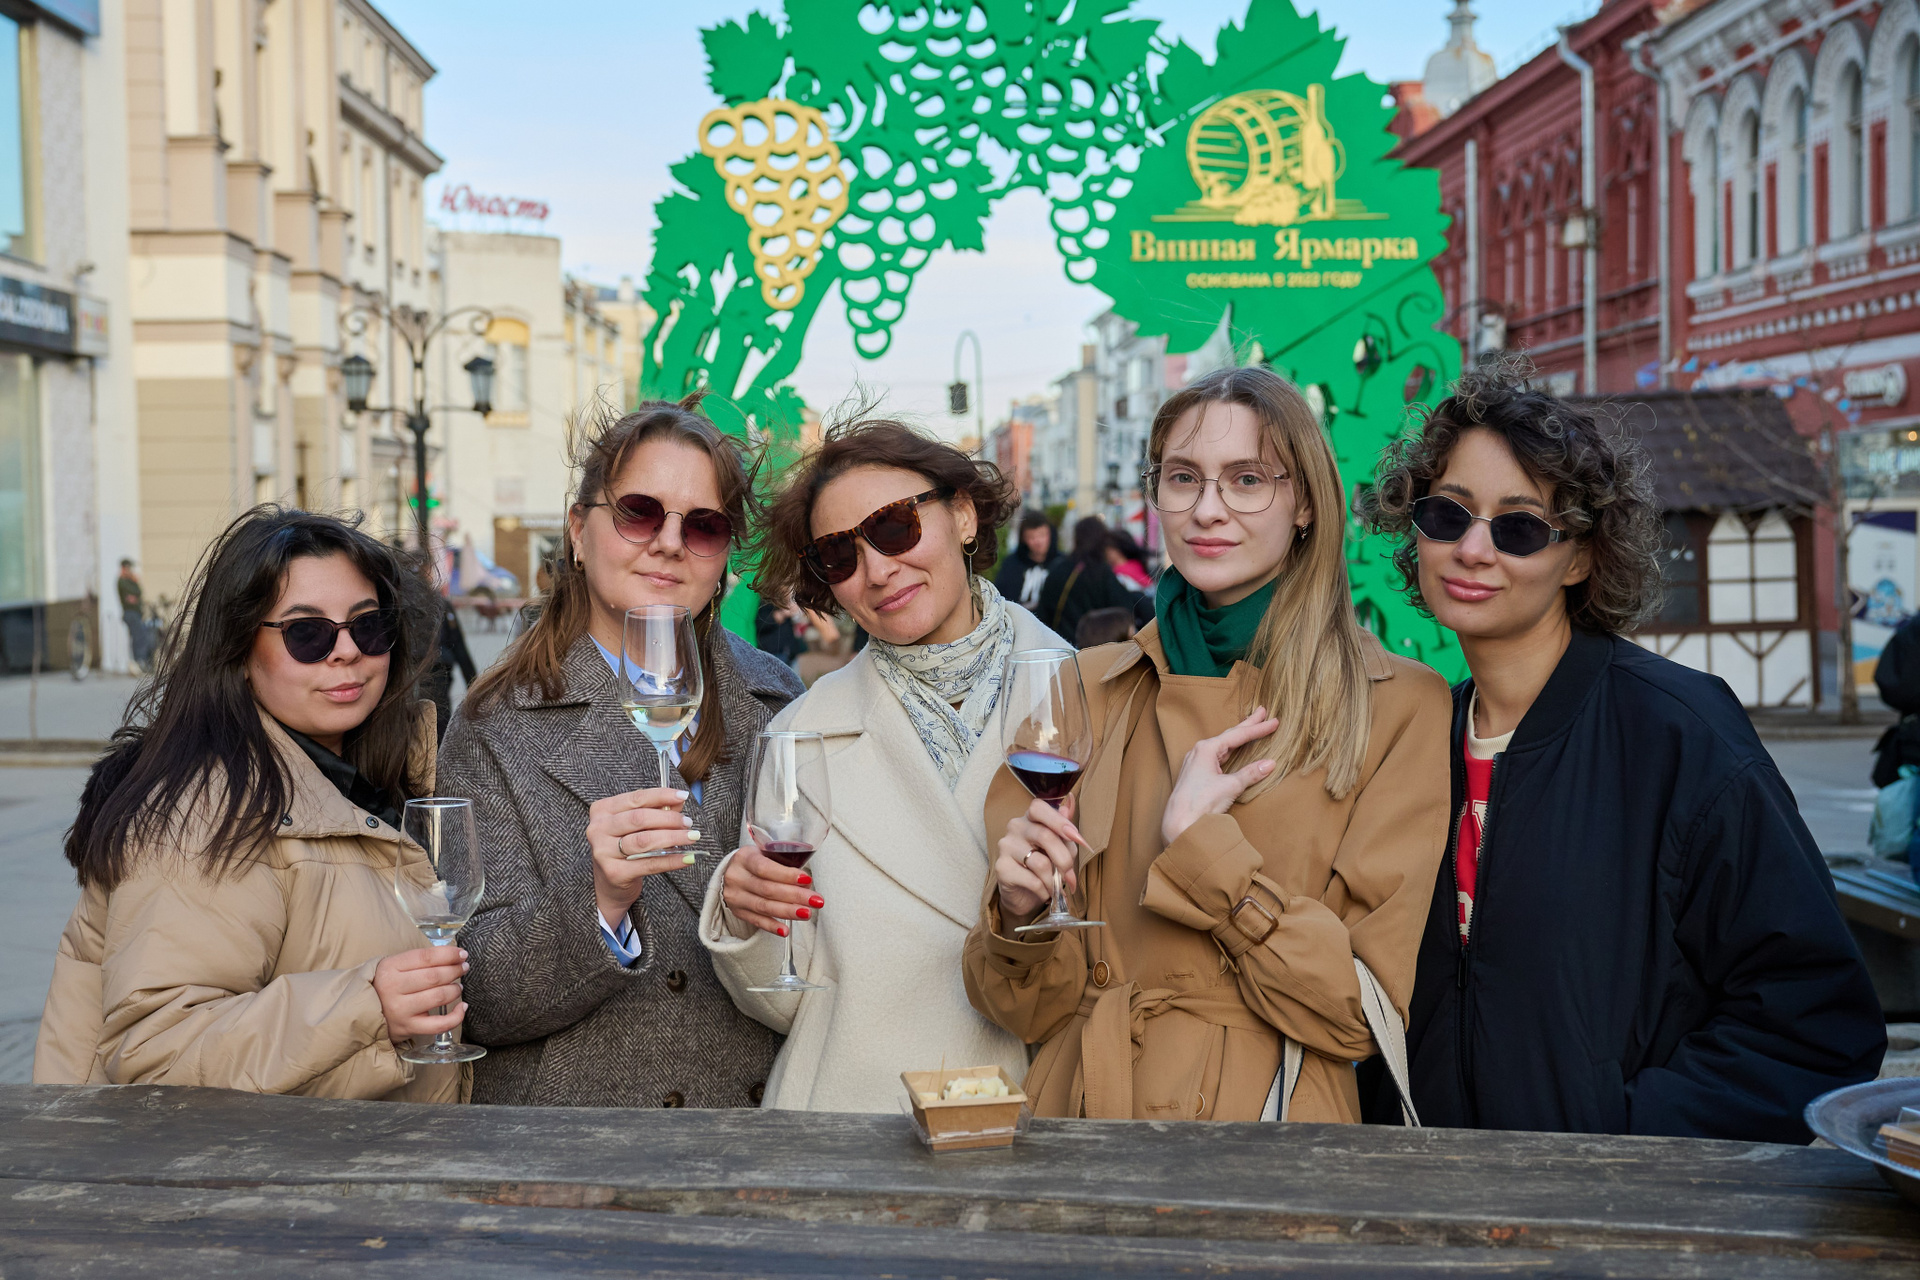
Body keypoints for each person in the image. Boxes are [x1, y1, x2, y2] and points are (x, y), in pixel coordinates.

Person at [1357, 361, 1884, 1141]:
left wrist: (1621, 1132)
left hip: (1613, 1200)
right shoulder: (1414, 736)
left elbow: (1815, 1022)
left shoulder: (1679, 732)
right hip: (1428, 1199)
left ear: (1579, 557)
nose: (1473, 548)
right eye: (1448, 514)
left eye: (1518, 527)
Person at [963, 365, 1452, 1123]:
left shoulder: (1396, 704)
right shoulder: (1088, 687)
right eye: (1183, 478)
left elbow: (1359, 1016)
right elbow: (1022, 1010)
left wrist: (1205, 853)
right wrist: (1020, 915)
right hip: (1080, 1126)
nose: (1207, 509)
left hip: (1264, 1135)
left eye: (1247, 479)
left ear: (1305, 504)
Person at [441, 394, 805, 1108]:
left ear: (723, 556)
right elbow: (472, 993)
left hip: (755, 1134)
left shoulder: (777, 697)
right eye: (639, 513)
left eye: (702, 525)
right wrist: (601, 901)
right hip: (584, 1143)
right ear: (579, 531)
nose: (669, 542)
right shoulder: (495, 723)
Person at [35, 508, 463, 1101]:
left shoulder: (369, 776)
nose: (346, 651)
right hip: (239, 1162)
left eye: (368, 626)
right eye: (307, 634)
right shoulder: (206, 808)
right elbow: (160, 1049)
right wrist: (366, 1004)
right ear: (238, 648)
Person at [701, 417, 1066, 1112]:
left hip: (1035, 1113)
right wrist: (748, 921)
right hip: (853, 1120)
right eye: (839, 556)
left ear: (964, 515)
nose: (877, 570)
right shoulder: (801, 733)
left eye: (896, 526)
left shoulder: (1086, 696)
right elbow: (786, 1000)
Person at [1036, 516, 1137, 642]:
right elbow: (1123, 611)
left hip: (1061, 644)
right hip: (1096, 645)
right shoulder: (1102, 572)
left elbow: (1043, 613)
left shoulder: (1057, 568)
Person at [420, 596, 478, 738]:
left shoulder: (404, 600)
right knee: (439, 723)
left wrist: (474, 685)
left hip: (418, 674)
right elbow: (458, 644)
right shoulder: (441, 604)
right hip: (436, 673)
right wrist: (474, 685)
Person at [993, 509, 1063, 610]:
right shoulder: (1012, 564)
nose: (1038, 542)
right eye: (1032, 537)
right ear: (1023, 539)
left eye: (1042, 535)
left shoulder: (1062, 564)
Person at [115, 558, 152, 671]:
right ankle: (139, 661)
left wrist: (134, 582)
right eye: (128, 568)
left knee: (140, 635)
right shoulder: (122, 581)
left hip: (136, 613)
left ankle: (140, 661)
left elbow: (138, 593)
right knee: (138, 636)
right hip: (130, 613)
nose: (130, 570)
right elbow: (132, 595)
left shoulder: (130, 580)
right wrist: (133, 582)